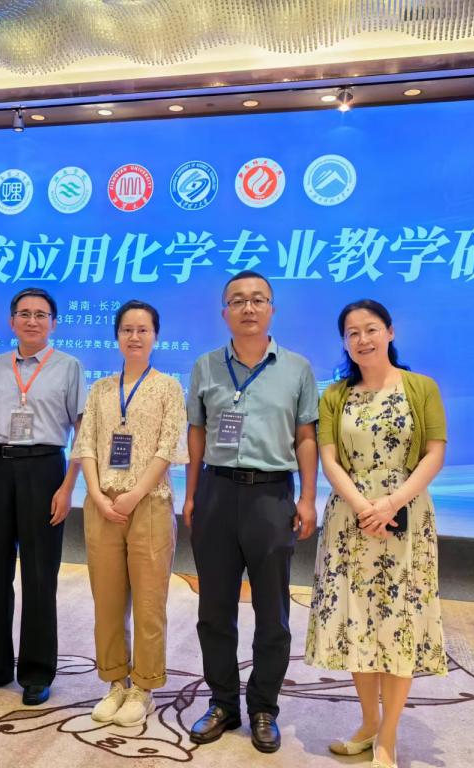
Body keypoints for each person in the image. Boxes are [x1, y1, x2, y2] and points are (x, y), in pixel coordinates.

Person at [305, 299, 447, 768]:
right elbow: (329, 459)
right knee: (358, 622)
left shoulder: (421, 387)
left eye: (370, 329)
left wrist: (390, 503)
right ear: (344, 342)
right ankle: (368, 723)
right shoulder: (335, 395)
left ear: (389, 331)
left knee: (399, 621)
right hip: (350, 521)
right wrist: (364, 506)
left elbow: (434, 454)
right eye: (352, 333)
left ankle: (388, 735)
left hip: (405, 519)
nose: (362, 339)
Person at [183, 271, 318, 753]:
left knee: (272, 613)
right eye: (237, 300)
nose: (248, 308)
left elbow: (306, 436)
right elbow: (197, 434)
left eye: (258, 299)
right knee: (214, 609)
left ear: (272, 310)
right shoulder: (205, 366)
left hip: (271, 496)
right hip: (217, 493)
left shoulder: (297, 368)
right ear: (225, 312)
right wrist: (192, 495)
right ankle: (222, 703)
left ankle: (264, 708)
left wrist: (307, 498)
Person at [0, 288, 85, 706]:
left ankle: (36, 671)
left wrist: (68, 488)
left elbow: (83, 432)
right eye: (25, 314)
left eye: (41, 315)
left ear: (54, 323)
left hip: (45, 469)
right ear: (11, 320)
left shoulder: (69, 367)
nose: (33, 321)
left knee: (39, 575)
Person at [72, 299, 187, 727]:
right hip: (102, 504)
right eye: (127, 329)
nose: (134, 337)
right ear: (117, 336)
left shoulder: (168, 388)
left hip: (149, 503)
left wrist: (135, 494)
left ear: (155, 336)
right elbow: (86, 444)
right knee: (107, 601)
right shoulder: (101, 389)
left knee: (149, 603)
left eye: (143, 330)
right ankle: (115, 682)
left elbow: (168, 448)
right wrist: (97, 495)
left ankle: (144, 687)